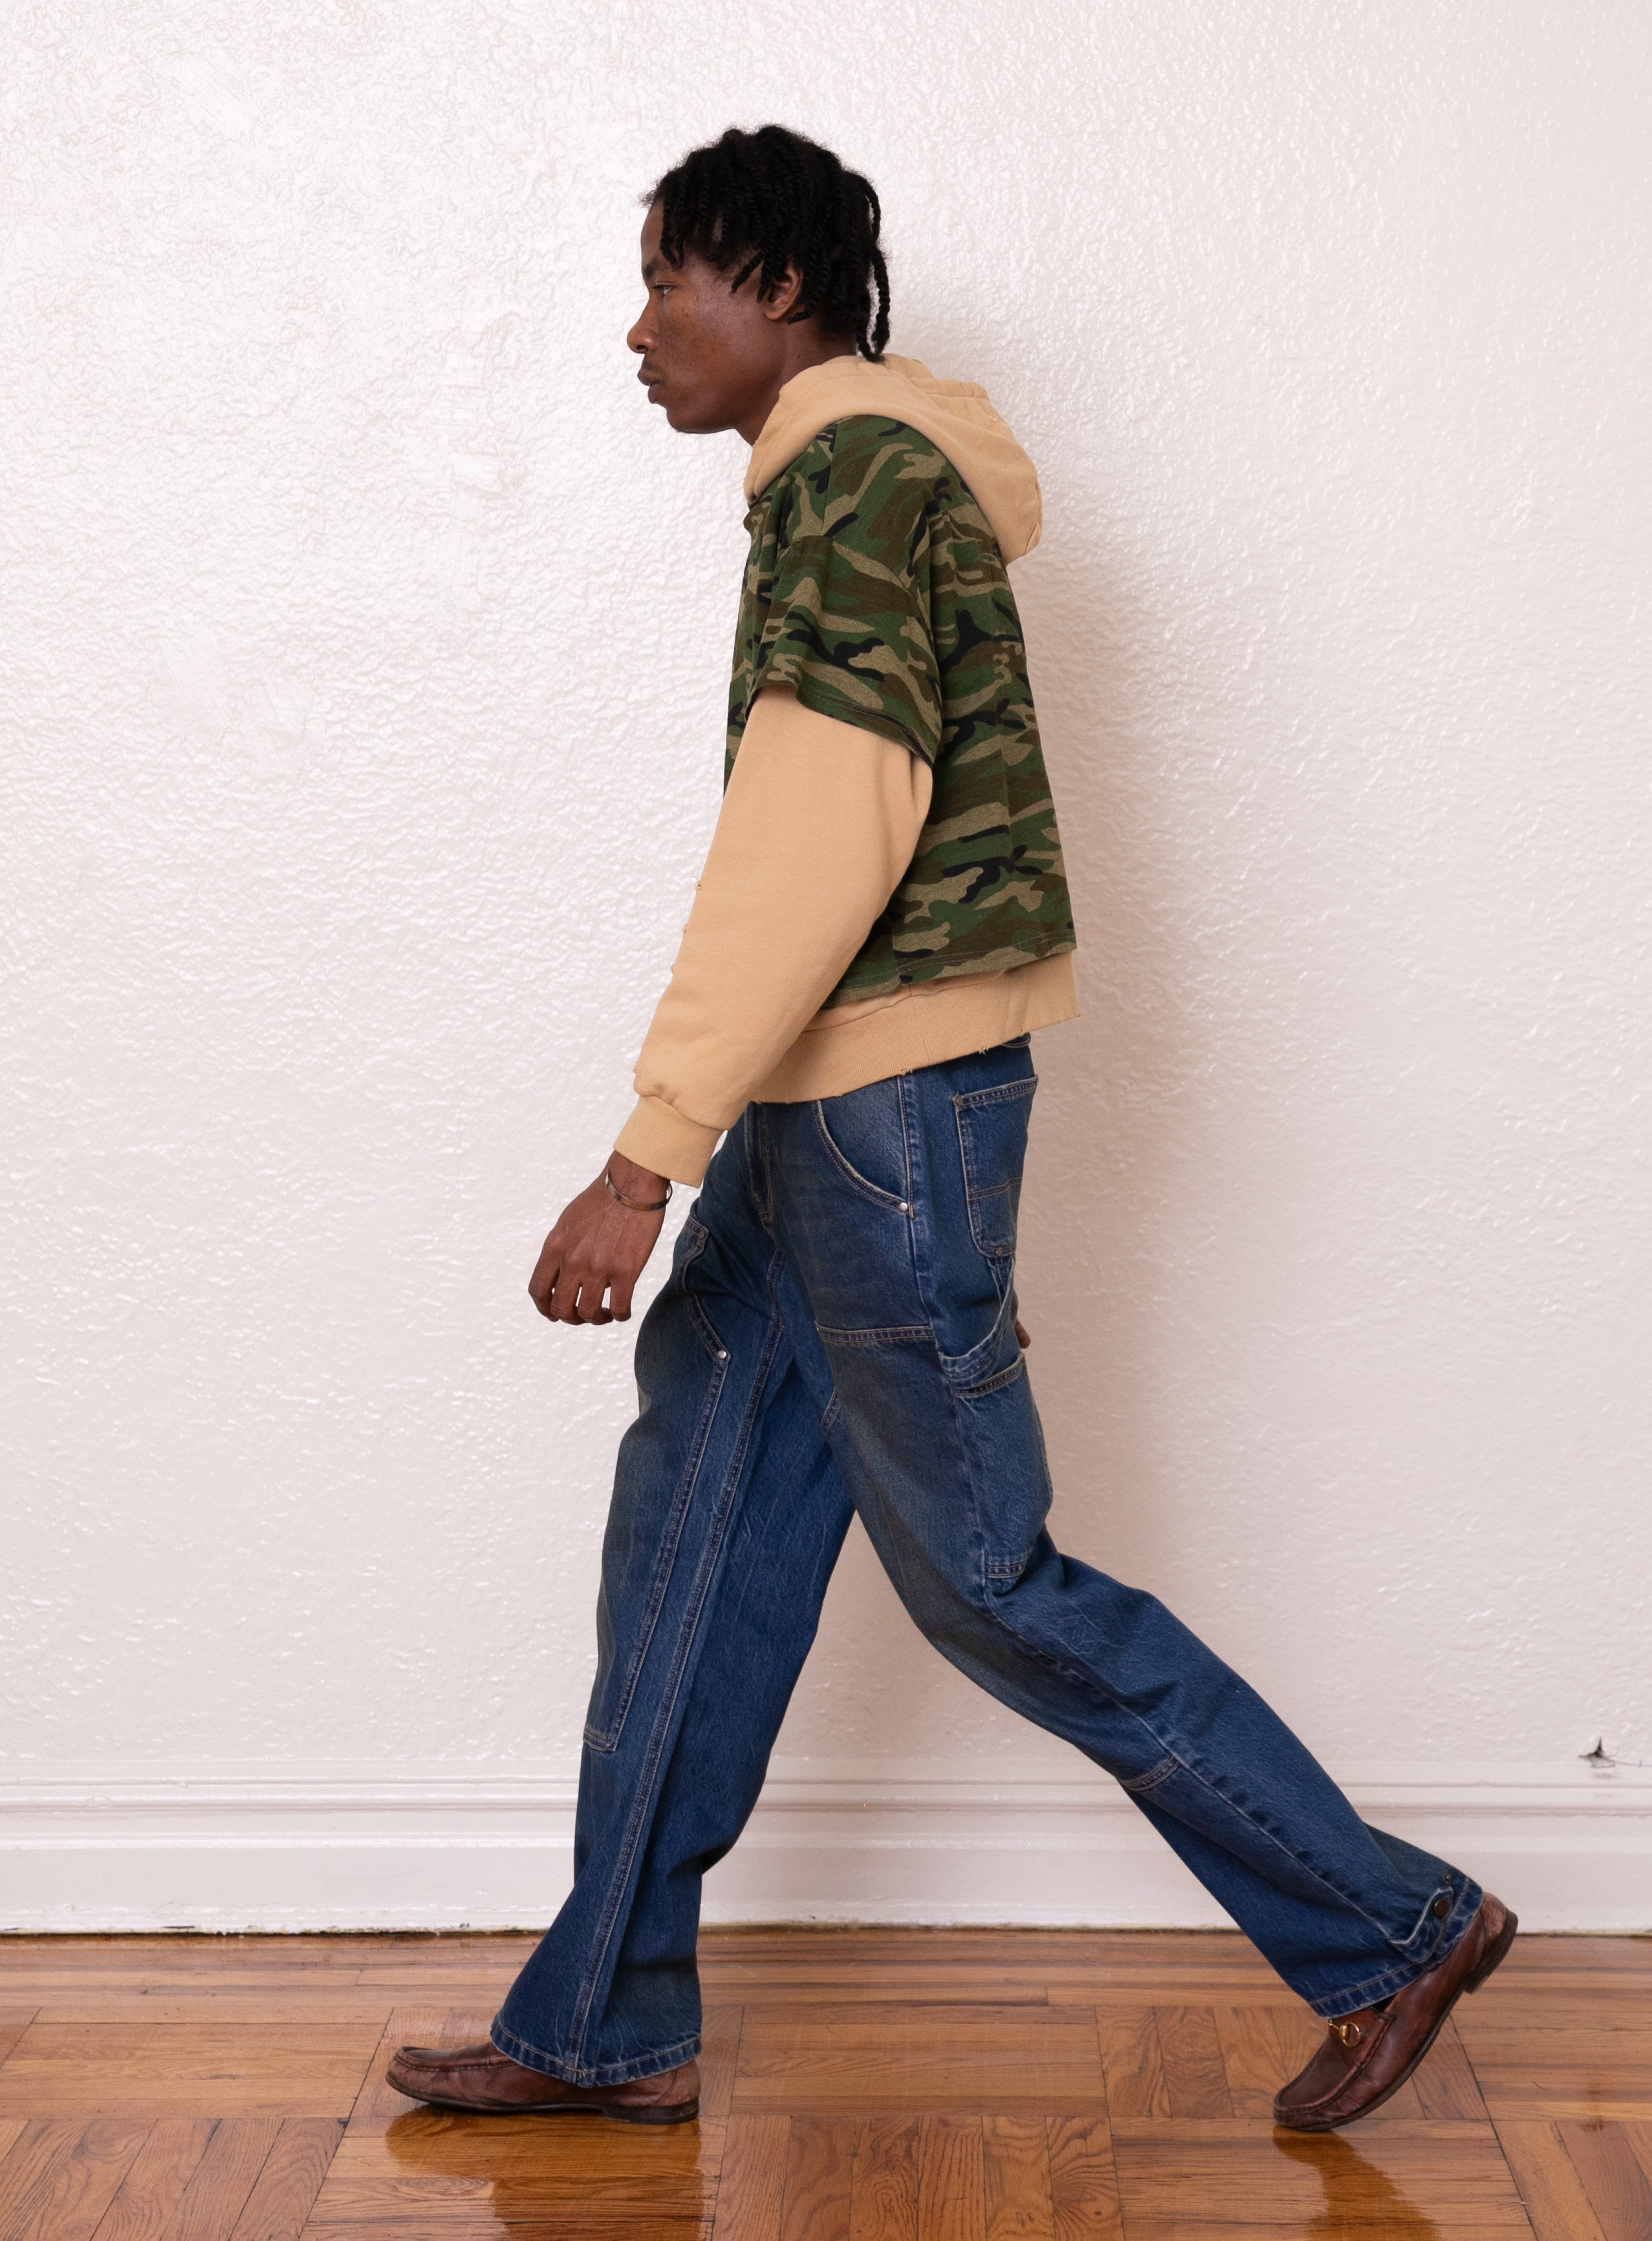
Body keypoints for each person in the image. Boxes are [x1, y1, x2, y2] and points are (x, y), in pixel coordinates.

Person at [387, 123, 1514, 2136]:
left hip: (880, 1116)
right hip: (826, 1117)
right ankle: (605, 2018)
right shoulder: (859, 476)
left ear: (779, 289)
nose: (638, 330)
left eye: (667, 284)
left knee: (986, 1578)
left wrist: (647, 1152)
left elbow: (820, 832)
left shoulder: (854, 481)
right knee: (692, 1540)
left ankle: (1390, 1920)